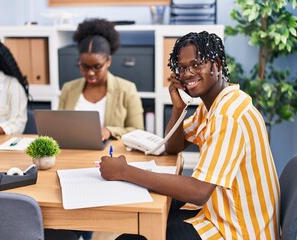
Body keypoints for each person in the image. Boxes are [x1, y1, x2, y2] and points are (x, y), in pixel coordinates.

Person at [99, 31, 280, 239]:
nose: (187, 73)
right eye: (183, 68)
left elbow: (199, 192)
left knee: (133, 236)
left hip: (239, 231)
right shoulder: (213, 105)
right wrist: (178, 108)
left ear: (218, 65)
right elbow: (174, 146)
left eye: (197, 64)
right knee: (152, 211)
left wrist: (124, 171)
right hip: (220, 213)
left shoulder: (228, 115)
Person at [58, 18, 144, 141]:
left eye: (97, 67)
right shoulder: (68, 88)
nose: (90, 73)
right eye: (84, 67)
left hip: (109, 153)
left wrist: (110, 130)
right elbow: (58, 126)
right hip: (73, 152)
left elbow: (138, 130)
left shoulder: (127, 89)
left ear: (108, 61)